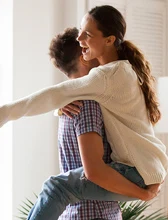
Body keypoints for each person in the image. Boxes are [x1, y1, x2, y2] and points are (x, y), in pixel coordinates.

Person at [0, 5, 168, 219]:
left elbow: (56, 93)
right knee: (56, 188)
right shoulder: (121, 71)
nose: (80, 38)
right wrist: (59, 107)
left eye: (87, 34)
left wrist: (5, 112)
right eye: (80, 30)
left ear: (109, 40)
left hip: (136, 173)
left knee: (56, 188)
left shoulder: (106, 77)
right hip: (142, 170)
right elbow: (62, 96)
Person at [50, 27, 122, 219]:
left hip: (77, 212)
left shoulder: (68, 103)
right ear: (84, 57)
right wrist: (143, 193)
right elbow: (94, 172)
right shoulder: (87, 104)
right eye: (91, 48)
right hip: (95, 213)